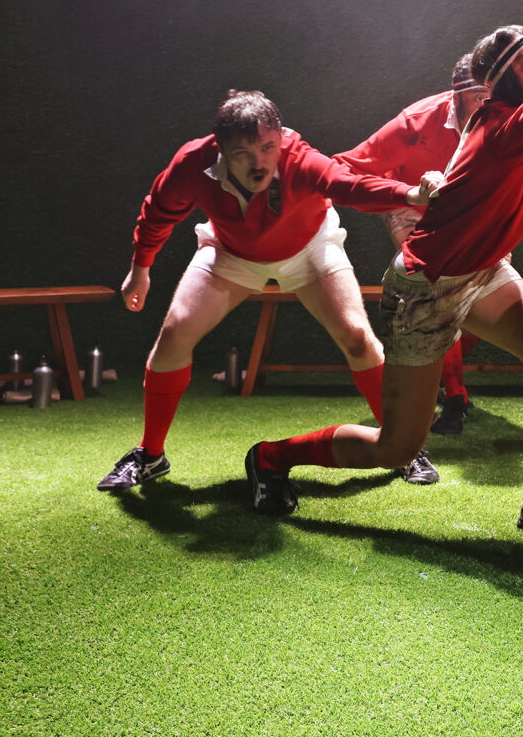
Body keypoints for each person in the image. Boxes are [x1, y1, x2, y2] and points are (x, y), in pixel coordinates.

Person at [243, 26, 523, 544]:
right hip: (428, 285)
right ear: (499, 80)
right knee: (396, 448)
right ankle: (272, 456)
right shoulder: (502, 124)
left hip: (485, 269)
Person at [97, 90, 438, 492]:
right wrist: (141, 269)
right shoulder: (194, 161)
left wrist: (409, 195)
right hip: (231, 252)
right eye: (243, 153)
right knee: (174, 334)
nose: (259, 162)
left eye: (267, 147)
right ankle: (150, 455)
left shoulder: (300, 158)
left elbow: (347, 185)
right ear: (219, 149)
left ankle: (405, 448)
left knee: (359, 339)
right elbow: (158, 210)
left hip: (310, 248)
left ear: (280, 139)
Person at [335, 55, 523, 436]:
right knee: (399, 442)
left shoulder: (514, 119)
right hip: (423, 219)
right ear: (455, 98)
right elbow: (346, 167)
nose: (489, 105)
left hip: (481, 228)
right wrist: (408, 193)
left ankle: (452, 391)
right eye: (480, 97)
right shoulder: (418, 122)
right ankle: (455, 396)